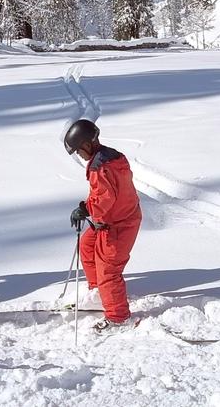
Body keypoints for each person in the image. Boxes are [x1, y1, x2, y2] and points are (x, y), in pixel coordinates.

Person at [63, 118, 142, 333]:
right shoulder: (110, 156)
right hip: (116, 219)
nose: (80, 155)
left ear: (87, 144)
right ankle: (99, 293)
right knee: (87, 245)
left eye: (79, 151)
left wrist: (85, 210)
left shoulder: (102, 168)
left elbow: (104, 199)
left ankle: (118, 316)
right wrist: (87, 207)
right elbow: (104, 195)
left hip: (119, 225)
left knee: (108, 269)